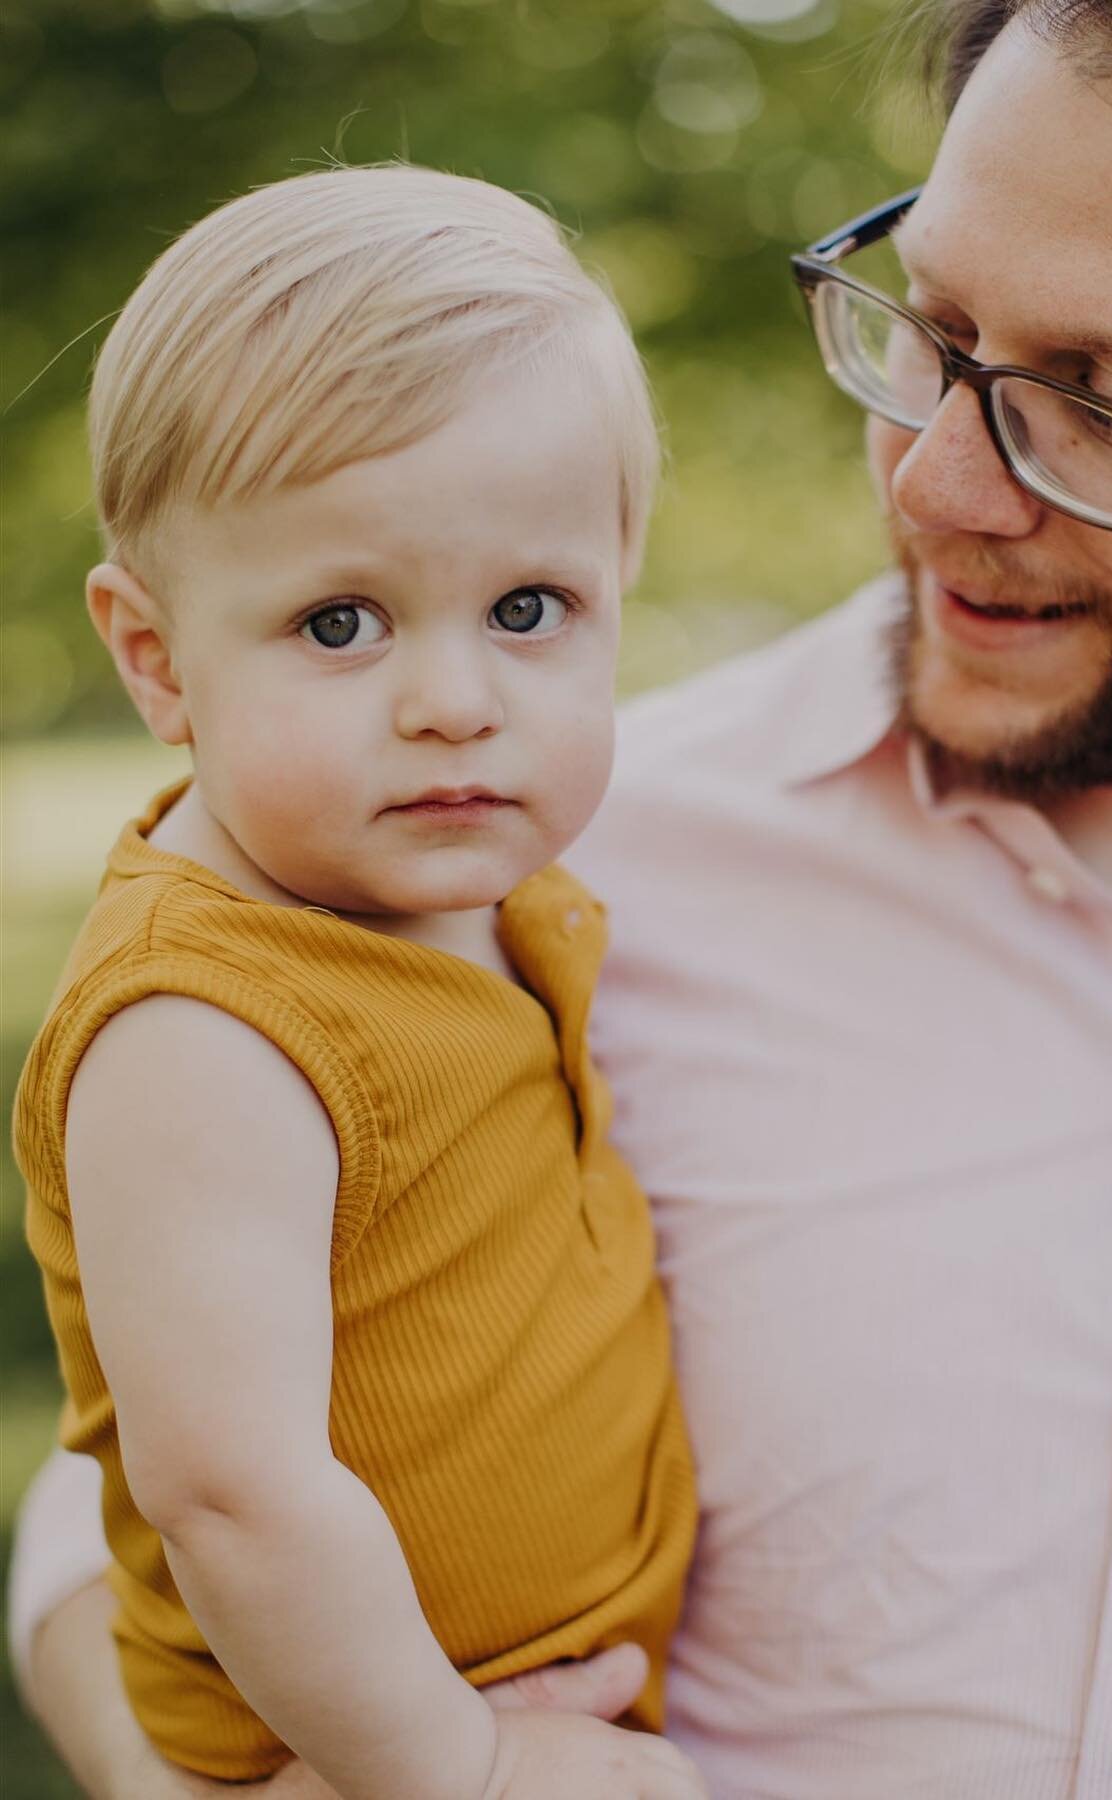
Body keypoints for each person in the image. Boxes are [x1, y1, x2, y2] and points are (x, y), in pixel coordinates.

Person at [12, 1, 1112, 1795]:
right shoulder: (512, 851)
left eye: (1101, 411)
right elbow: (153, 1465)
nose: (934, 480)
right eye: (931, 334)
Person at [9, 166, 704, 1800]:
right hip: (335, 1748)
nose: (454, 699)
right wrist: (453, 1765)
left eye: (530, 610)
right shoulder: (203, 1029)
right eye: (341, 624)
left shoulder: (481, 893)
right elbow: (232, 1492)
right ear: (158, 657)